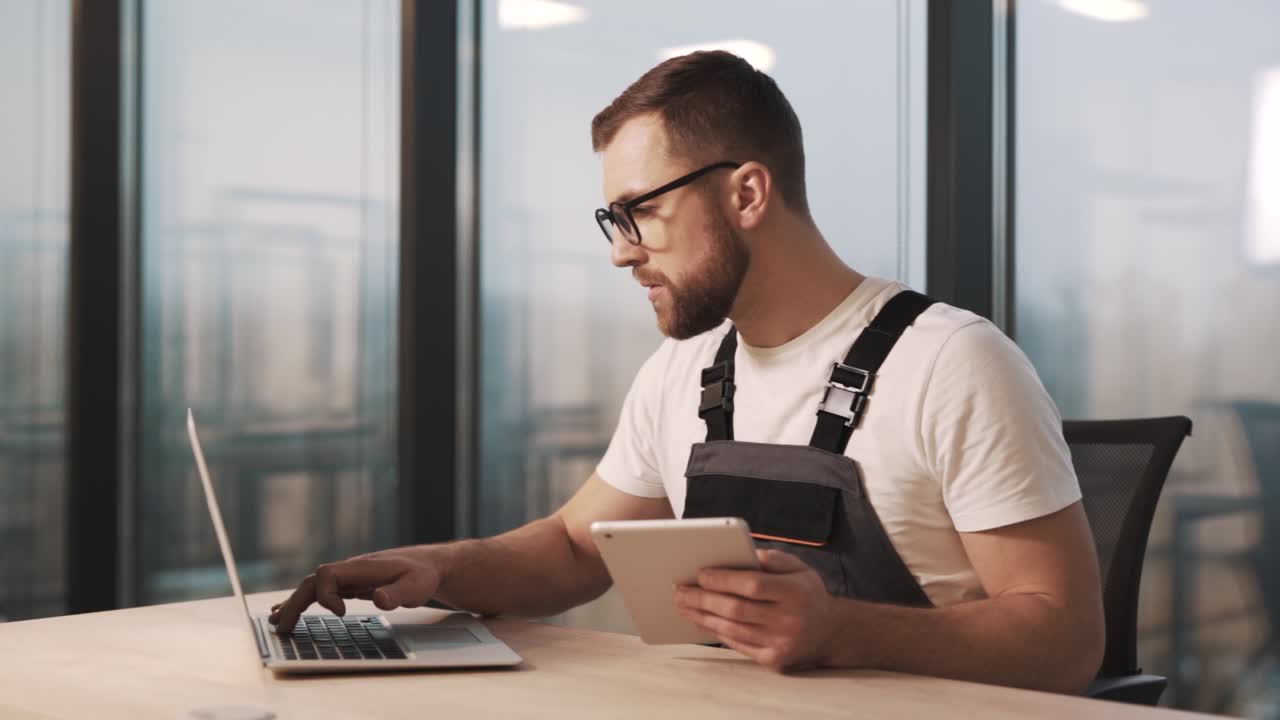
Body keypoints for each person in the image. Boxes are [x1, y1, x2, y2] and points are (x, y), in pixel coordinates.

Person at [270, 50, 1104, 694]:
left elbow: (1065, 640)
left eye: (641, 213)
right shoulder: (689, 369)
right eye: (612, 219)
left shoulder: (952, 362)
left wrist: (837, 628)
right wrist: (437, 572)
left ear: (746, 194)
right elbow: (571, 549)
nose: (621, 252)